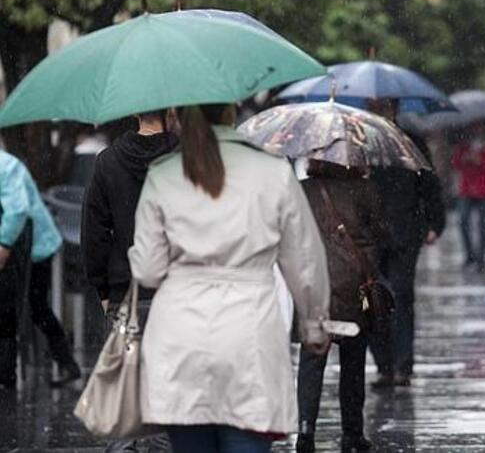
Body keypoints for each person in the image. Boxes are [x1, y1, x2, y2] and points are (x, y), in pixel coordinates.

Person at [128, 104, 331, 453]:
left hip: (181, 337)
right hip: (249, 335)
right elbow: (305, 262)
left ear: (181, 114)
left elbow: (147, 270)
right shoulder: (272, 172)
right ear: (232, 111)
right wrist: (314, 324)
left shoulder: (163, 174)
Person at [81, 109, 177, 453]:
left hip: (126, 291)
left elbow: (94, 231)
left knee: (126, 386)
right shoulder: (183, 157)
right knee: (168, 390)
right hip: (177, 291)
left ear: (135, 111)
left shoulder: (108, 162)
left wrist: (103, 288)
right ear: (170, 109)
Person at [296, 160, 392, 453]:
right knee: (353, 360)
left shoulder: (302, 191)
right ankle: (352, 432)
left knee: (312, 360)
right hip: (353, 286)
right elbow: (381, 233)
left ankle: (305, 431)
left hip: (315, 284)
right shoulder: (362, 189)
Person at [366, 98, 446, 388]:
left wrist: (435, 222)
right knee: (373, 300)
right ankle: (385, 365)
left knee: (400, 296)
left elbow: (428, 182)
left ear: (395, 107)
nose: (380, 111)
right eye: (375, 106)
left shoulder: (410, 142)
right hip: (369, 235)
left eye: (385, 106)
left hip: (403, 231)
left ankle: (401, 364)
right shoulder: (359, 142)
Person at [0, 150, 80, 389]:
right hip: (21, 247)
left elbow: (17, 211)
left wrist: (3, 243)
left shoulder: (6, 166)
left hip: (35, 248)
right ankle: (66, 363)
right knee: (28, 308)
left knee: (33, 307)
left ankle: (65, 363)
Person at [451, 123, 485, 272]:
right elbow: (455, 163)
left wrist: (481, 161)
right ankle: (470, 256)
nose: (477, 128)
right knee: (463, 221)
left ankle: (481, 257)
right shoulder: (463, 145)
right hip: (467, 189)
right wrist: (466, 158)